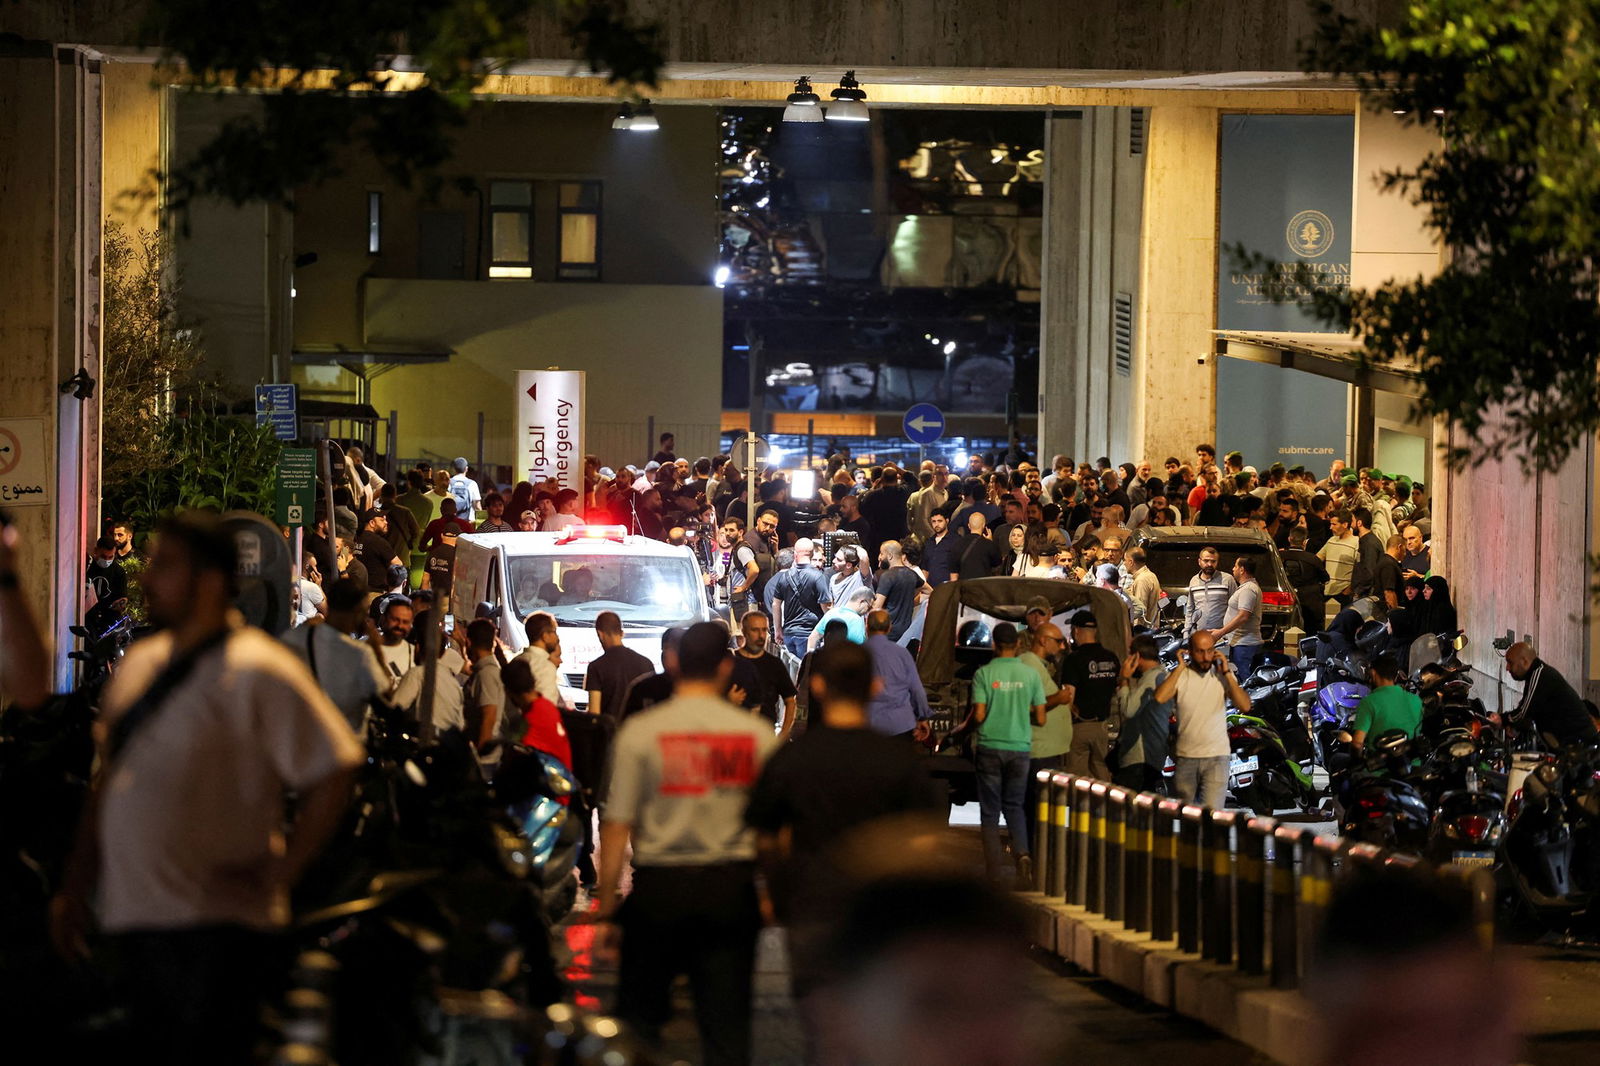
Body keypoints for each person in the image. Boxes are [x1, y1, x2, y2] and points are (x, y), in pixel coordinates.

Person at [51, 511, 362, 1066]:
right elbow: (108, 782)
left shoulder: (261, 668)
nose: (148, 579)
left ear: (211, 580)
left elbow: (335, 769)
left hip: (219, 932)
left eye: (165, 566)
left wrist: (281, 873)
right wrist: (75, 888)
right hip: (132, 921)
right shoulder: (140, 662)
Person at [596, 622, 779, 1066]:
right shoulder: (755, 738)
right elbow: (773, 831)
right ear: (725, 666)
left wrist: (606, 908)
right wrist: (770, 894)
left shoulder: (641, 733)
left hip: (659, 890)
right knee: (726, 1026)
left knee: (637, 1029)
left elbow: (616, 825)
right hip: (729, 891)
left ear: (675, 664)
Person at [743, 643, 945, 1010]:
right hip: (880, 915)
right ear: (874, 687)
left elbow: (765, 837)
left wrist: (775, 894)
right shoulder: (898, 761)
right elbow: (923, 842)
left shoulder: (791, 759)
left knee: (818, 1020)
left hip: (810, 907)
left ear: (817, 687)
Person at [965, 623, 1046, 886]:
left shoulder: (984, 673)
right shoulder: (1031, 674)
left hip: (990, 746)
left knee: (989, 812)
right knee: (1015, 806)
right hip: (1020, 747)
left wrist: (963, 729)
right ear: (1018, 644)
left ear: (993, 644)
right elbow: (1042, 718)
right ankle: (1022, 854)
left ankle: (994, 870)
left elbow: (978, 715)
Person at [1153, 630, 1250, 808]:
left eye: (1209, 651)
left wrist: (1227, 672)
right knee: (1190, 815)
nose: (1205, 657)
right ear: (1190, 652)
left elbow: (1244, 705)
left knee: (1212, 814)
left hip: (1216, 757)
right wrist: (1181, 668)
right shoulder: (1179, 676)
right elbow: (1160, 699)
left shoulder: (1222, 675)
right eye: (1200, 651)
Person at [280, 577, 389, 731]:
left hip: (298, 739)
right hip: (342, 745)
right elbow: (386, 697)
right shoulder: (360, 654)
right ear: (358, 612)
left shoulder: (294, 638)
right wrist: (376, 648)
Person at [1059, 609, 1120, 780]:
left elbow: (1068, 695)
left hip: (1080, 726)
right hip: (1102, 727)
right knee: (1101, 773)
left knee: (1078, 779)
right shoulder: (1111, 658)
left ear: (1076, 631)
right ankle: (1102, 807)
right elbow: (1117, 689)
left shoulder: (1073, 659)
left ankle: (1081, 807)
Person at [1503, 641, 1600, 746]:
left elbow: (1524, 712)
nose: (1507, 668)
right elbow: (1529, 713)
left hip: (1581, 746)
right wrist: (1514, 726)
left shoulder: (1540, 674)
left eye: (1510, 662)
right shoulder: (1534, 676)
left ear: (1524, 662)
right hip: (1573, 745)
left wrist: (1502, 720)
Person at [1109, 634, 1172, 793]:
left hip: (1140, 756)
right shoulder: (1163, 675)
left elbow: (1129, 710)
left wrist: (1124, 680)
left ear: (1136, 656)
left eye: (1130, 654)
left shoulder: (1150, 680)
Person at [862, 610, 934, 740]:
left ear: (866, 626)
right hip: (900, 725)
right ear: (889, 628)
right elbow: (917, 689)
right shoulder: (902, 654)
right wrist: (922, 716)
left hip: (865, 725)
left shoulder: (856, 653)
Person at [728, 610, 798, 741]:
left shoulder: (774, 664)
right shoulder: (729, 662)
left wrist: (784, 733)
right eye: (755, 630)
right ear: (744, 632)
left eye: (764, 630)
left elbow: (790, 700)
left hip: (765, 734)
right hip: (735, 734)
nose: (761, 636)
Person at [585, 611, 654, 722]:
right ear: (621, 633)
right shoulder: (646, 663)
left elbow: (594, 714)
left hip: (611, 736)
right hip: (640, 733)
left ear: (600, 635)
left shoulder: (596, 667)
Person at [1349, 653, 1423, 753]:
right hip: (1413, 764)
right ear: (1396, 676)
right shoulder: (1415, 700)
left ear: (1373, 673)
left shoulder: (1369, 702)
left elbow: (1357, 743)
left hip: (1380, 766)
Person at [765, 548, 830, 658]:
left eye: (820, 560)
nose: (818, 564)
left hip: (789, 633)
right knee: (805, 670)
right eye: (815, 559)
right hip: (808, 633)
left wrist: (778, 630)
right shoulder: (818, 576)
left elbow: (776, 604)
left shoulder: (784, 577)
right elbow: (826, 607)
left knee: (792, 670)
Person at [1211, 556, 1264, 676]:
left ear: (1242, 570)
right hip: (1240, 644)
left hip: (1245, 645)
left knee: (1246, 682)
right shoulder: (1245, 588)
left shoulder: (1248, 590)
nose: (1232, 569)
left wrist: (1221, 632)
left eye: (1235, 566)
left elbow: (1243, 616)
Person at [463, 617, 507, 756]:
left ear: (468, 642)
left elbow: (489, 717)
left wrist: (479, 757)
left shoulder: (487, 674)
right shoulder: (486, 670)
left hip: (485, 758)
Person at [872, 540, 928, 642]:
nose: (879, 557)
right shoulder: (912, 574)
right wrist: (910, 602)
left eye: (881, 553)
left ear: (889, 556)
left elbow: (876, 608)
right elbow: (929, 592)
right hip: (906, 631)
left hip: (888, 632)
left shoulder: (887, 576)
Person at [1282, 526, 1331, 632]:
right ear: (1305, 542)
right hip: (1310, 604)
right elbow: (1325, 578)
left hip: (1285, 600)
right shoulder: (1313, 559)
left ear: (1289, 539)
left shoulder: (1279, 557)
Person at [511, 611, 562, 706]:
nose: (557, 637)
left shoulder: (516, 661)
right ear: (545, 636)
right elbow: (547, 708)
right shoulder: (545, 667)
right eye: (554, 631)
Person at [1184, 545, 1236, 638]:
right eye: (1206, 560)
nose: (1209, 564)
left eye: (1213, 561)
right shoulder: (1193, 581)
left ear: (1217, 562)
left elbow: (1236, 608)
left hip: (1222, 636)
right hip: (1199, 635)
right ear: (1199, 561)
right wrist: (1186, 632)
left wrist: (1228, 632)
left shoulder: (1228, 579)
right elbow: (1190, 608)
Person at [1317, 507, 1360, 610]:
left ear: (1345, 525)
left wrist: (1348, 590)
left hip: (1343, 595)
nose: (1330, 528)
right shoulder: (1331, 540)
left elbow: (1359, 569)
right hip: (1326, 592)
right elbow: (1318, 559)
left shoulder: (1356, 542)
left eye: (1334, 524)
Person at [371, 596, 416, 685]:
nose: (400, 626)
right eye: (395, 620)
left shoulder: (415, 654)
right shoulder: (365, 649)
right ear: (384, 619)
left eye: (405, 622)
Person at [953, 511, 1001, 581]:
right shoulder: (989, 544)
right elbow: (997, 563)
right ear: (984, 525)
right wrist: (990, 542)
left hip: (964, 587)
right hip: (983, 587)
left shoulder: (957, 544)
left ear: (969, 526)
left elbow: (954, 573)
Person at [1124, 546, 1161, 625]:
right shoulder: (1150, 575)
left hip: (1143, 631)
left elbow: (1140, 612)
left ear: (1131, 562)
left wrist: (1136, 632)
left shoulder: (1141, 580)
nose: (1124, 563)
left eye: (1125, 560)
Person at [446, 457, 482, 522]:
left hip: (451, 521)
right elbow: (477, 506)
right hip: (468, 522)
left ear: (454, 469)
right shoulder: (472, 484)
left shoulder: (449, 483)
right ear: (466, 469)